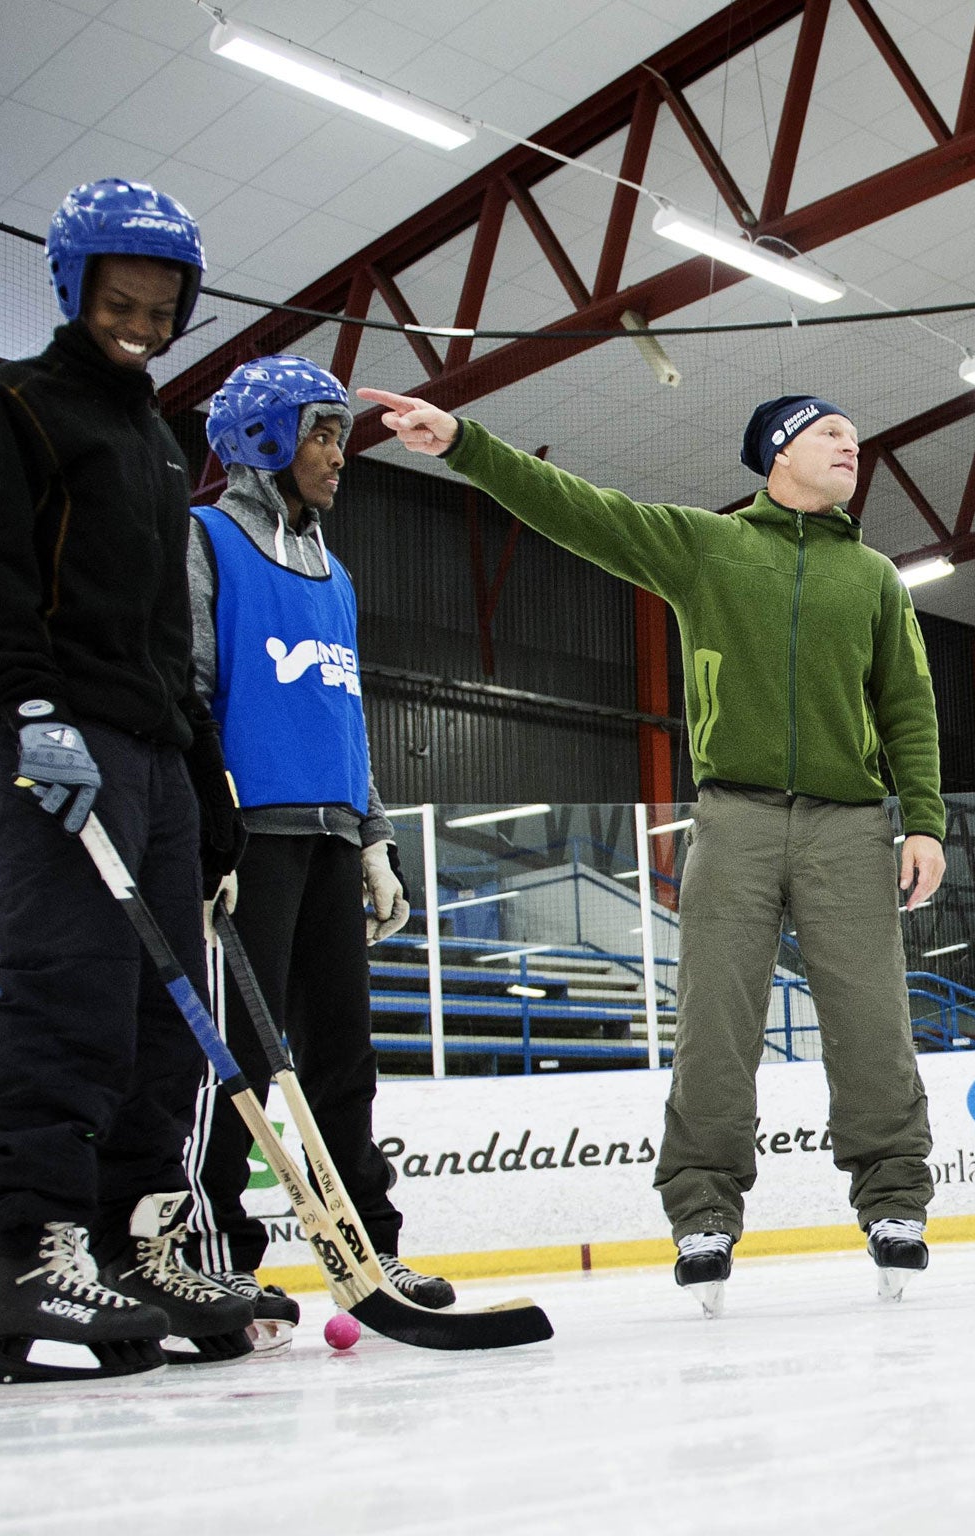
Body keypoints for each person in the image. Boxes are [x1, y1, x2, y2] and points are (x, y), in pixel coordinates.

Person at [358, 386, 945, 1310]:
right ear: (778, 454)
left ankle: (894, 1203)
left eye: (858, 441)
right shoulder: (707, 548)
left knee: (874, 1025)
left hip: (848, 823)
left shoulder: (871, 576)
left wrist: (924, 821)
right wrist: (467, 445)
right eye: (833, 435)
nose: (852, 449)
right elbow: (580, 509)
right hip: (735, 820)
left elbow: (908, 703)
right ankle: (704, 1211)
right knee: (715, 1025)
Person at [0, 179, 252, 1385]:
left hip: (151, 750)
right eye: (119, 299)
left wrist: (202, 766)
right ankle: (34, 1246)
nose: (139, 319)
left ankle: (136, 1244)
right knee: (69, 985)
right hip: (54, 737)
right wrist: (28, 708)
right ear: (74, 290)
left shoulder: (152, 434)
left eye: (160, 302)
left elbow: (157, 628)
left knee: (162, 1011)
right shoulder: (10, 406)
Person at [180, 355, 447, 1341]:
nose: (340, 455)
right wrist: (210, 826)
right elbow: (193, 692)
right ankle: (213, 1259)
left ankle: (368, 1247)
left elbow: (348, 721)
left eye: (340, 434)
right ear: (259, 440)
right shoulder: (204, 539)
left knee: (346, 1061)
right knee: (234, 1063)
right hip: (250, 840)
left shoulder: (335, 574)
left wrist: (375, 838)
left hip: (333, 842)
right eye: (321, 433)